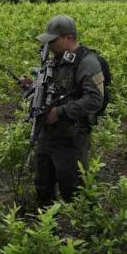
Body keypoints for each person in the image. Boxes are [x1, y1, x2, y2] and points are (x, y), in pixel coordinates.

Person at [28, 14, 105, 205]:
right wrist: (32, 86)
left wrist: (60, 113)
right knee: (43, 185)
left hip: (72, 136)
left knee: (74, 190)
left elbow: (95, 99)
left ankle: (86, 231)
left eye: (53, 40)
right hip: (47, 134)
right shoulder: (55, 59)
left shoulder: (87, 62)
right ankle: (46, 230)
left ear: (68, 38)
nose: (49, 45)